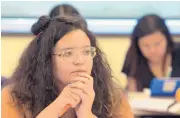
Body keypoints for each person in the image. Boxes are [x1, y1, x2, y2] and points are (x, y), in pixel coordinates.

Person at [2, 15, 134, 118]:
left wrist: (86, 114)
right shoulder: (14, 96)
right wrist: (58, 106)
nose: (80, 60)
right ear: (46, 60)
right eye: (68, 53)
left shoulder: (113, 96)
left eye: (87, 52)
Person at [122, 14, 180, 92]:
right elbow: (132, 94)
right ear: (137, 44)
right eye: (146, 45)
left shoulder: (178, 52)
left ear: (167, 39)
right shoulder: (133, 57)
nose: (152, 50)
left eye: (157, 44)